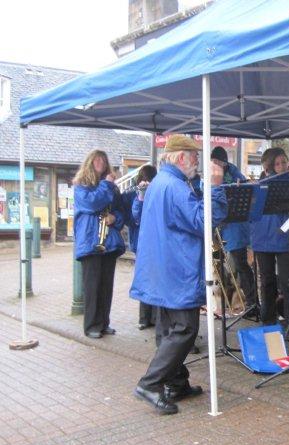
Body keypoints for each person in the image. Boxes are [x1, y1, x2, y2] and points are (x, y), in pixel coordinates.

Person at [130, 135, 227, 415]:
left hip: (161, 267)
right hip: (176, 269)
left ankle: (176, 383)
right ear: (180, 157)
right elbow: (203, 221)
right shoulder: (174, 187)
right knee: (185, 329)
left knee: (168, 328)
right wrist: (216, 187)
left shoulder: (162, 182)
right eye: (194, 156)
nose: (197, 161)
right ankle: (151, 383)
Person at [73, 150, 126, 339]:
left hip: (108, 243)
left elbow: (121, 211)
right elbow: (93, 203)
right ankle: (91, 326)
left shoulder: (110, 187)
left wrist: (116, 218)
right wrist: (106, 184)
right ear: (90, 162)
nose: (101, 162)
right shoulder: (81, 186)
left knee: (105, 286)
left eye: (103, 160)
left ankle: (104, 323)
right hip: (90, 242)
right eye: (97, 159)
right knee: (92, 286)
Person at [250, 148, 289, 329]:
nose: (282, 166)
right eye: (277, 164)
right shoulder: (259, 184)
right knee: (267, 280)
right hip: (263, 236)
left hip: (285, 236)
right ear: (268, 166)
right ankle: (268, 320)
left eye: (284, 162)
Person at [211, 146, 256, 312]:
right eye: (213, 162)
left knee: (240, 265)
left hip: (235, 228)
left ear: (224, 163)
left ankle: (251, 301)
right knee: (220, 268)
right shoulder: (211, 175)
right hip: (218, 228)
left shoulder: (235, 174)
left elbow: (247, 192)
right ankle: (223, 304)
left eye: (218, 162)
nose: (215, 165)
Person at [127, 164, 158, 329]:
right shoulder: (137, 195)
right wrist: (141, 196)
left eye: (149, 180)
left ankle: (152, 317)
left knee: (153, 279)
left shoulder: (158, 192)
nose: (146, 183)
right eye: (143, 180)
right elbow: (136, 216)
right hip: (142, 244)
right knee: (145, 279)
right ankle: (144, 318)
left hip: (154, 243)